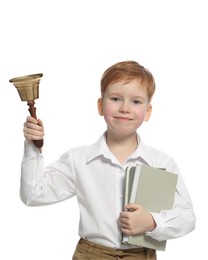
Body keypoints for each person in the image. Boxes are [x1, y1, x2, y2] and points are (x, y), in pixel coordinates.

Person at [21, 60, 196, 260]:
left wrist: (152, 221)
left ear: (148, 112)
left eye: (136, 101)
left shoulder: (161, 163)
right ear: (100, 105)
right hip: (91, 255)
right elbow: (32, 195)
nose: (125, 108)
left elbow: (187, 218)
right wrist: (32, 148)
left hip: (141, 255)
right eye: (115, 98)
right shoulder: (78, 160)